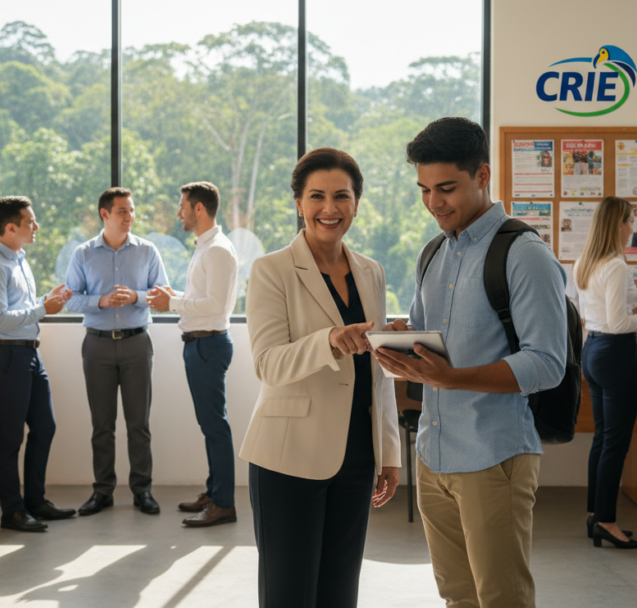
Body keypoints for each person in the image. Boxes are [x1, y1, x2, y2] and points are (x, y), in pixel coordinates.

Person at [374, 117, 566, 608]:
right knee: (457, 596)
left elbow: (547, 364)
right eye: (423, 189)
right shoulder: (432, 252)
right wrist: (398, 343)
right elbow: (426, 340)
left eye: (446, 188)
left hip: (493, 457)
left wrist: (452, 379)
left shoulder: (525, 255)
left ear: (482, 176)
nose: (433, 203)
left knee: (501, 598)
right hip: (433, 456)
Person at [241, 147, 400, 608]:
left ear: (355, 203)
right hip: (288, 456)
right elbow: (268, 363)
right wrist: (328, 340)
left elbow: (377, 370)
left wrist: (388, 451)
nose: (329, 209)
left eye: (341, 197)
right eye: (316, 197)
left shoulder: (371, 271)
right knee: (289, 594)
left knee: (339, 592)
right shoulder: (270, 270)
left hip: (356, 454)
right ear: (298, 203)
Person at [572, 197, 637, 550]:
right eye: (630, 221)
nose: (633, 227)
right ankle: (607, 521)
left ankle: (594, 514)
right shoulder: (615, 266)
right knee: (616, 443)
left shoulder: (585, 261)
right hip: (616, 353)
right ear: (617, 224)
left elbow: (600, 312)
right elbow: (619, 323)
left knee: (603, 438)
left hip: (594, 351)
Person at [0, 196, 76, 532]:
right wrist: (43, 308)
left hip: (29, 352)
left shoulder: (19, 260)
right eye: (31, 221)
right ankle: (12, 513)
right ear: (10, 227)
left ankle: (35, 502)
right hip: (6, 354)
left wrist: (47, 302)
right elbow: (0, 320)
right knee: (10, 438)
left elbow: (24, 307)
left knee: (45, 427)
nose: (36, 226)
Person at [64, 188, 168, 517]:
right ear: (104, 214)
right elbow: (69, 299)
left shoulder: (148, 250)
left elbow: (162, 295)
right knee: (102, 425)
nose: (129, 217)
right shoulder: (83, 254)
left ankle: (143, 490)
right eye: (122, 211)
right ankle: (102, 491)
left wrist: (135, 297)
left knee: (139, 424)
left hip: (138, 343)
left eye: (132, 211)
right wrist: (101, 301)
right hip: (97, 345)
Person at [148, 182, 240, 528]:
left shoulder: (216, 249)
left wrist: (170, 302)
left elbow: (216, 305)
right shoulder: (206, 247)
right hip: (200, 343)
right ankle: (215, 492)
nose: (178, 213)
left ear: (199, 208)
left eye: (183, 206)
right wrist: (176, 295)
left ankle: (223, 504)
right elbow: (204, 296)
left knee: (215, 427)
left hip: (207, 345)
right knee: (210, 425)